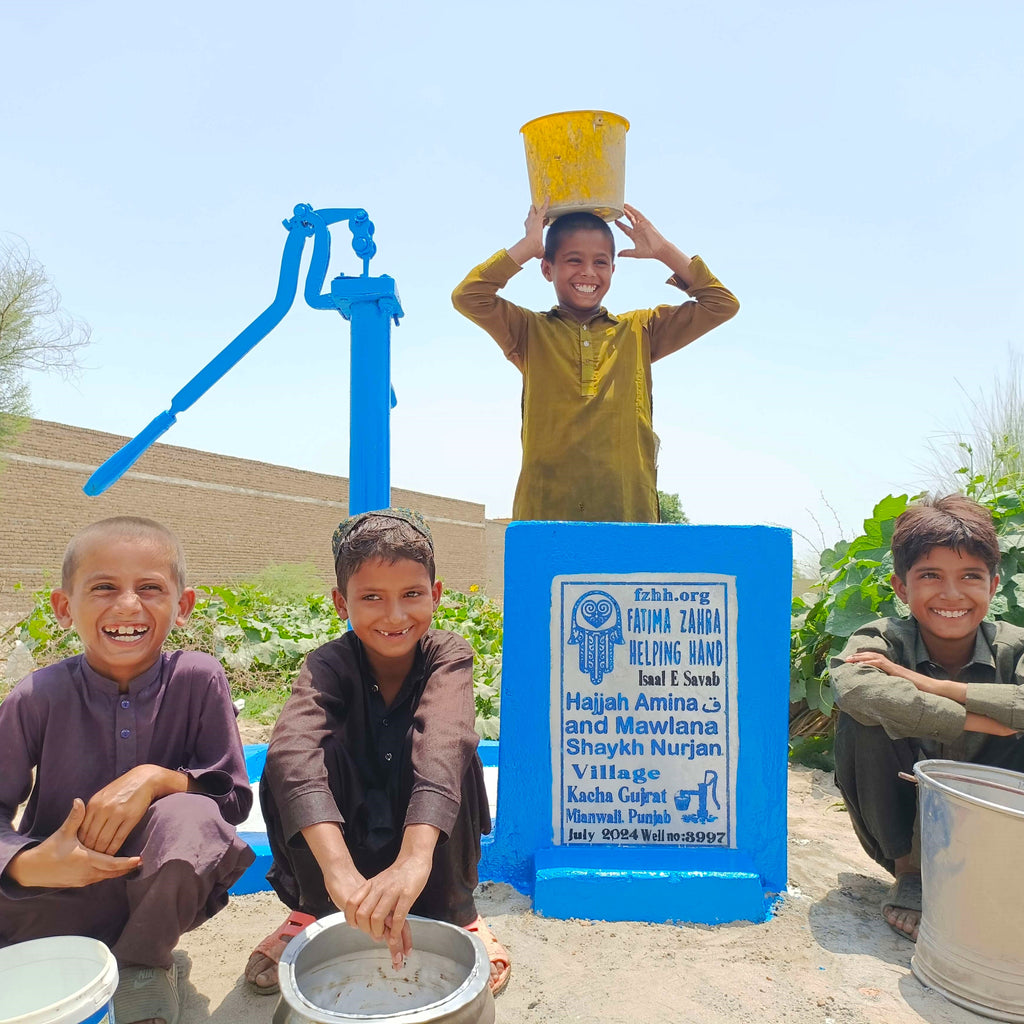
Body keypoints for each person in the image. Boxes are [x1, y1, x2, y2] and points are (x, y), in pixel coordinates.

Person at [0, 516, 253, 1024]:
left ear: (183, 607)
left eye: (150, 588)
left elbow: (232, 801)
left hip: (157, 889)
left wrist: (158, 778)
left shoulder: (198, 680)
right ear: (64, 607)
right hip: (54, 897)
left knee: (193, 817)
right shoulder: (37, 695)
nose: (128, 605)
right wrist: (28, 863)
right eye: (104, 587)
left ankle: (142, 965)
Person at [245, 509, 509, 996]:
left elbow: (444, 737)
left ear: (437, 594)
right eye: (371, 598)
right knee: (291, 758)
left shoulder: (449, 654)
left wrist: (413, 859)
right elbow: (293, 748)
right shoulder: (326, 664)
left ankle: (458, 911)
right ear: (341, 604)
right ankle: (313, 906)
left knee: (452, 755)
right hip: (346, 838)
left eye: (412, 594)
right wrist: (340, 873)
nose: (394, 615)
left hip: (424, 842)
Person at [452, 201, 739, 522]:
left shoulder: (640, 330)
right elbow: (468, 296)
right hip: (546, 515)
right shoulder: (527, 331)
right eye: (574, 260)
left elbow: (721, 304)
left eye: (601, 262)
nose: (588, 271)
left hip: (629, 516)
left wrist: (663, 250)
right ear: (547, 268)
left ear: (613, 270)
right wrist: (527, 247)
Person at [830, 494, 1024, 941]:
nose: (952, 594)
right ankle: (912, 874)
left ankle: (1000, 870)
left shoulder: (1014, 647)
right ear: (902, 588)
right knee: (865, 714)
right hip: (900, 827)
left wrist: (937, 687)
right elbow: (856, 687)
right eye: (931, 576)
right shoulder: (880, 638)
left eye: (970, 577)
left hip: (996, 831)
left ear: (993, 586)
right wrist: (972, 719)